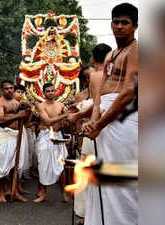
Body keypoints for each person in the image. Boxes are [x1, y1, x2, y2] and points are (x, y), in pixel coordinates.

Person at [82, 3, 138, 225]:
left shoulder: (137, 51)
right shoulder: (110, 56)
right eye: (116, 22)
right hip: (104, 119)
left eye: (125, 22)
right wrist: (92, 123)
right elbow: (98, 96)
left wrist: (100, 124)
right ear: (111, 24)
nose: (120, 26)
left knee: (120, 179)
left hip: (123, 118)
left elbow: (129, 92)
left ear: (135, 26)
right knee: (101, 178)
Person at [68, 43, 112, 224]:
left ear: (93, 59)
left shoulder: (96, 76)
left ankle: (87, 215)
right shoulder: (119, 76)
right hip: (112, 127)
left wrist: (78, 114)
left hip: (95, 128)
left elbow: (97, 106)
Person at [0, 80, 29, 203]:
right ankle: (0, 192)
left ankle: (14, 191)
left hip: (16, 135)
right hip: (4, 135)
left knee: (15, 165)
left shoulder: (16, 102)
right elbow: (1, 120)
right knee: (1, 163)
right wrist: (18, 115)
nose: (10, 90)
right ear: (2, 90)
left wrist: (26, 113)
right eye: (7, 88)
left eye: (11, 88)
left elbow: (25, 120)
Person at [33, 83, 69, 203]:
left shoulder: (61, 105)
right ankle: (42, 192)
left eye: (52, 91)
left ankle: (64, 193)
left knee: (61, 165)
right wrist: (64, 115)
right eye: (48, 91)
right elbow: (47, 121)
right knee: (42, 164)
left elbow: (68, 119)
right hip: (45, 136)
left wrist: (68, 118)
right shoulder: (40, 105)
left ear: (56, 92)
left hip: (58, 137)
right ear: (43, 93)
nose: (50, 93)